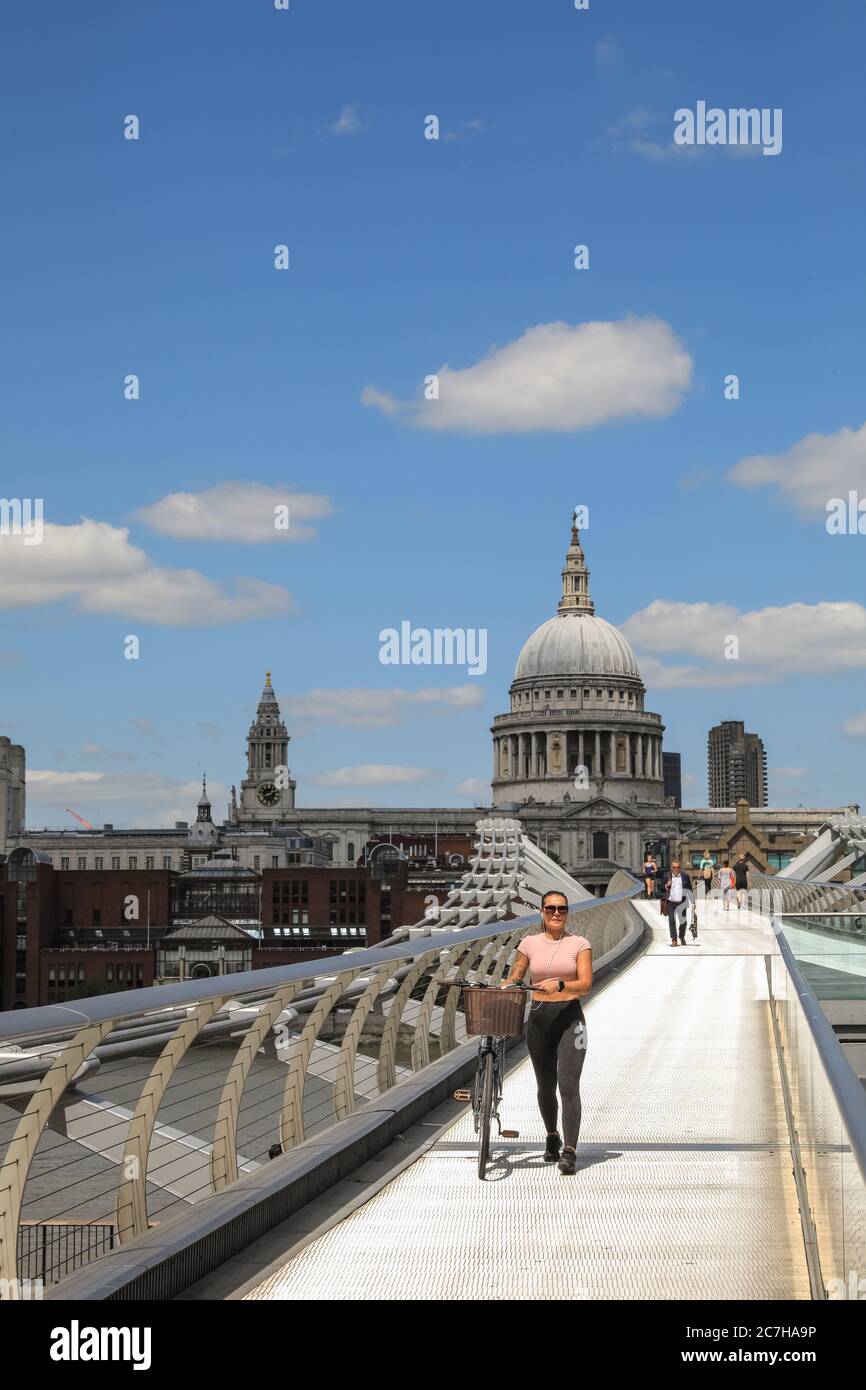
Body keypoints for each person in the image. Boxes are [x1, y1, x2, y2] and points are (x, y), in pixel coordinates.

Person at [503, 890, 592, 1175]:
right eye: (551, 908)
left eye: (562, 909)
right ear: (541, 911)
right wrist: (510, 984)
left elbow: (586, 983)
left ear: (567, 912)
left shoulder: (580, 944)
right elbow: (517, 972)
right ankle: (552, 1135)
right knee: (545, 1086)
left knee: (568, 1085)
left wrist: (562, 986)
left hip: (570, 1020)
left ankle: (570, 1150)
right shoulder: (528, 943)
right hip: (539, 1020)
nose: (557, 913)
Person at [663, 858, 694, 946]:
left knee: (683, 922)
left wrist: (693, 903)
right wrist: (666, 885)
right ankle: (674, 939)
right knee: (671, 920)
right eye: (674, 867)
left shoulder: (685, 877)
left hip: (682, 902)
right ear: (671, 868)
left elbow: (689, 890)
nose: (676, 869)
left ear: (680, 868)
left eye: (677, 867)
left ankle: (681, 936)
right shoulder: (666, 876)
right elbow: (662, 888)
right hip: (671, 902)